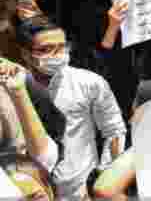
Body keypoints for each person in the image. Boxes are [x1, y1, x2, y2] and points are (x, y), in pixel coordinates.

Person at [16, 18, 125, 199]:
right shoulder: (13, 88)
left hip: (79, 191)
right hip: (29, 191)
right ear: (26, 54)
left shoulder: (89, 83)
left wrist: (104, 176)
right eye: (46, 49)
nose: (57, 54)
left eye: (61, 47)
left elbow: (114, 131)